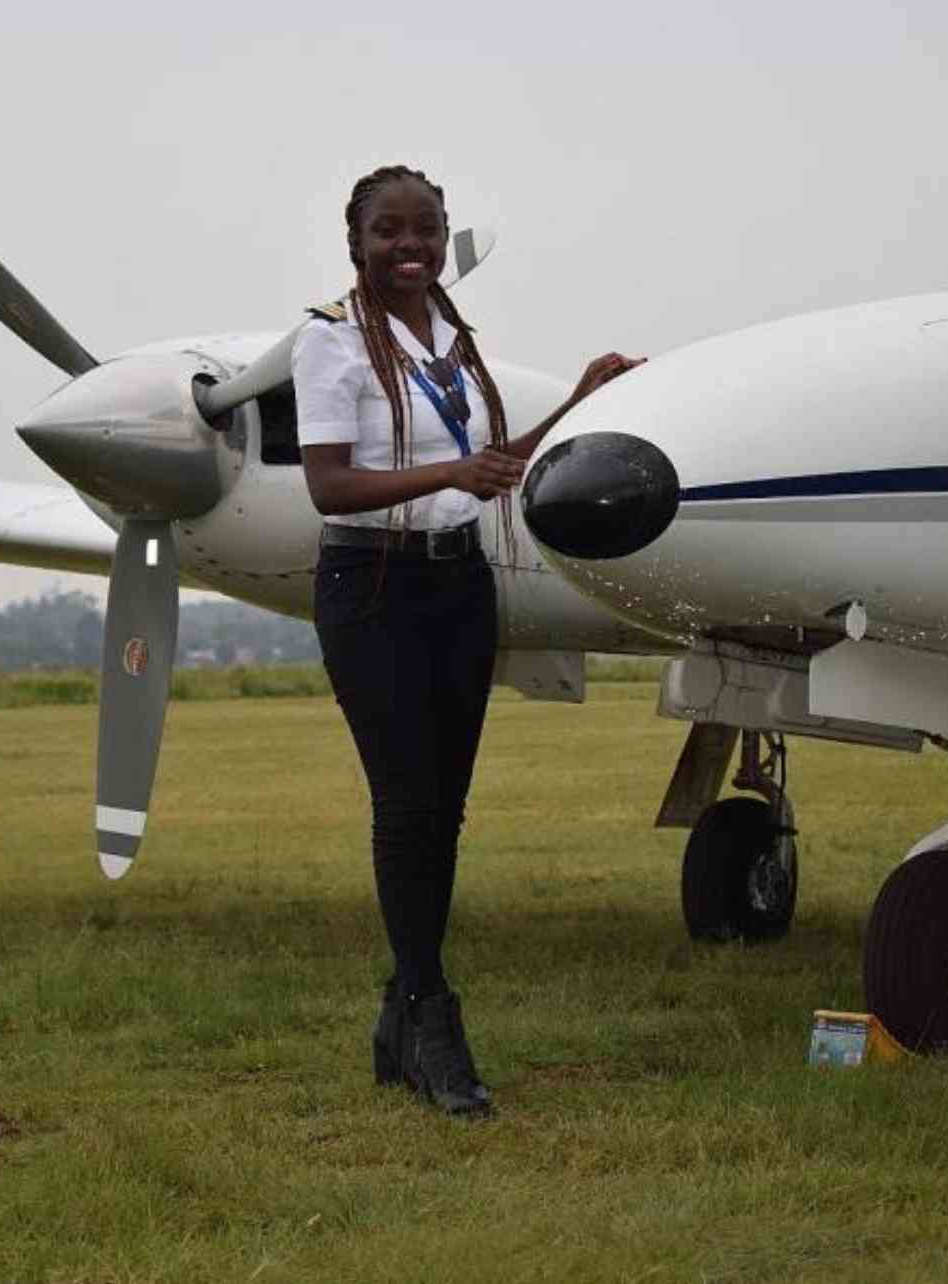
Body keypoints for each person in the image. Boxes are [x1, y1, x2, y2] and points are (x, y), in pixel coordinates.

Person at [292, 164, 642, 1116]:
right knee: (405, 806)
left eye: (427, 232)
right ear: (355, 243)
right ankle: (431, 1014)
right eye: (389, 234)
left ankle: (401, 1014)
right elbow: (328, 485)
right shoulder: (328, 342)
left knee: (443, 809)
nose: (410, 249)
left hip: (458, 580)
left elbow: (497, 466)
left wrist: (579, 397)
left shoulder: (453, 336)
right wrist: (458, 465)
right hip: (370, 585)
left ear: (444, 237)